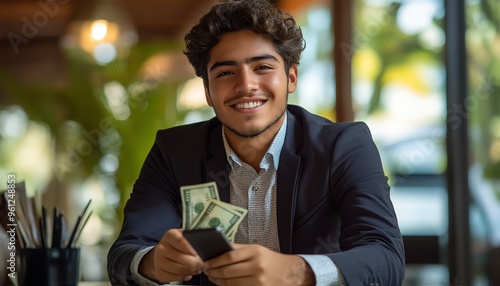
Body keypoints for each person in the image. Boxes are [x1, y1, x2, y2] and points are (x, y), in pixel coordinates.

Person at [107, 0, 405, 285]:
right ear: (209, 92)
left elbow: (385, 259)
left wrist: (295, 271)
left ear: (291, 77)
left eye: (262, 67)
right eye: (225, 72)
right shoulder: (174, 152)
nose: (246, 85)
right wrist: (153, 263)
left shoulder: (344, 146)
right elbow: (125, 255)